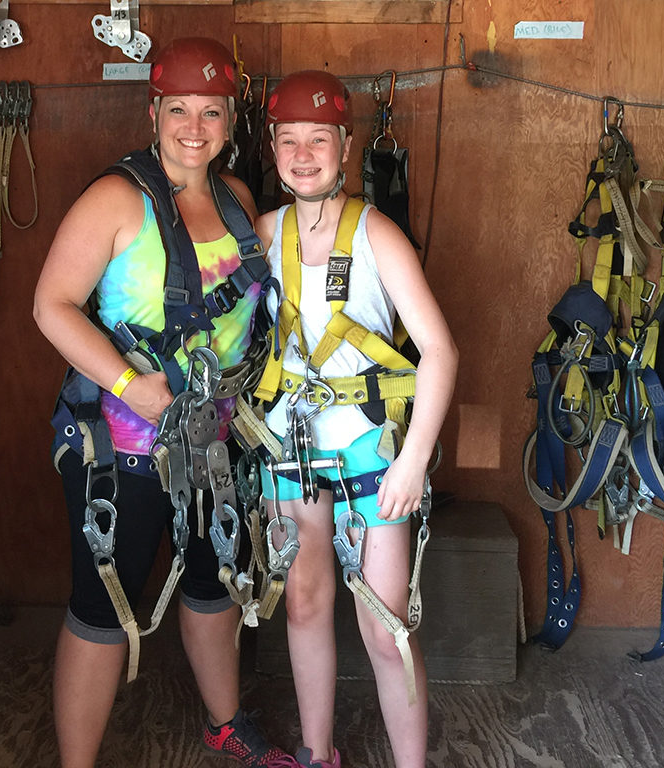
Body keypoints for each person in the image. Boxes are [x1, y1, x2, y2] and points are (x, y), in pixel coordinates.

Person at [33, 37, 298, 768]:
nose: (194, 126)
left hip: (217, 444)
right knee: (104, 605)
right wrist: (129, 386)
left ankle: (224, 722)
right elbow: (51, 306)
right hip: (123, 448)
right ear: (153, 113)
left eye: (211, 111)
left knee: (216, 585)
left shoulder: (237, 199)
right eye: (178, 108)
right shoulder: (117, 199)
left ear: (230, 120)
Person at [254, 71, 458, 768]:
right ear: (271, 148)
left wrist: (414, 460)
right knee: (304, 606)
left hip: (372, 454)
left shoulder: (377, 235)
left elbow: (439, 351)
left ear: (346, 147)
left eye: (319, 140)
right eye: (288, 140)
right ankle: (318, 754)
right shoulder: (261, 234)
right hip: (290, 449)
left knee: (384, 627)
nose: (303, 155)